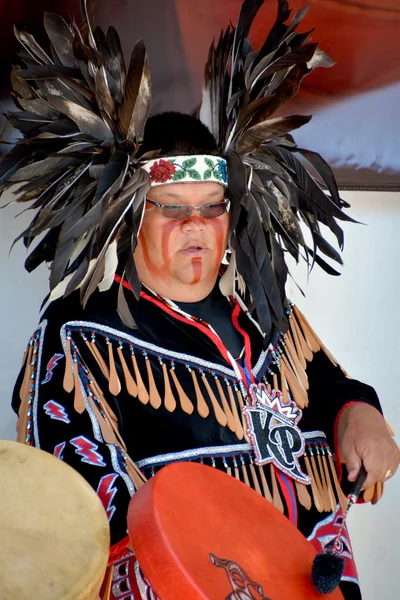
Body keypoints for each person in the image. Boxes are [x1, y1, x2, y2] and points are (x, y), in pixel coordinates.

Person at [3, 2, 399, 599]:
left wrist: (360, 416)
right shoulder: (80, 332)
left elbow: (329, 386)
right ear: (131, 216)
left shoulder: (271, 319)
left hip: (314, 582)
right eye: (174, 209)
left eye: (213, 207)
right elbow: (67, 506)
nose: (197, 226)